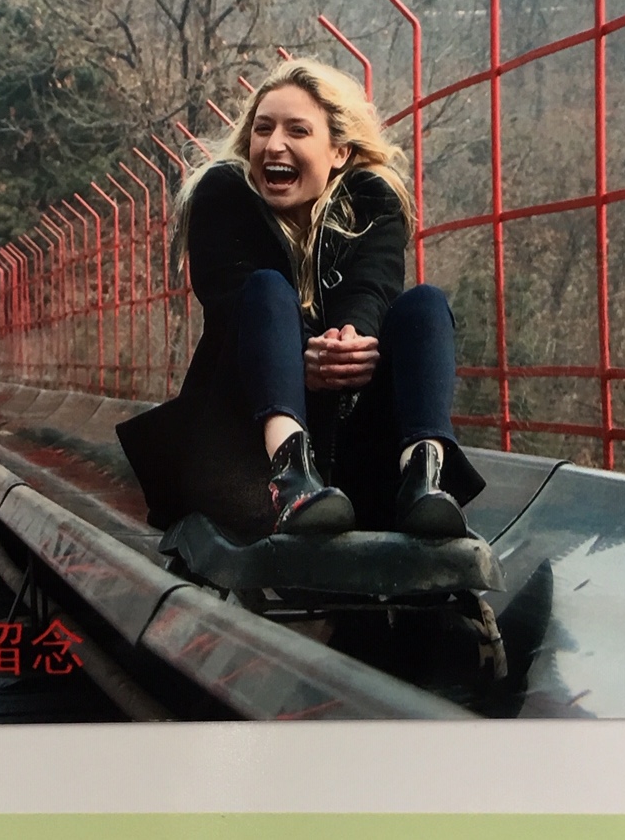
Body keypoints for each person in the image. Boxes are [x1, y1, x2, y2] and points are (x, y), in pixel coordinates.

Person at [116, 58, 483, 542]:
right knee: (266, 288)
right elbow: (233, 297)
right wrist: (302, 355)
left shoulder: (373, 201)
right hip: (242, 460)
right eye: (262, 129)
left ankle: (424, 477)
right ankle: (291, 477)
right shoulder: (223, 193)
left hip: (352, 457)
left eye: (297, 131)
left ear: (339, 151)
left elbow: (371, 286)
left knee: (425, 306)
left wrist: (348, 342)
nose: (273, 145)